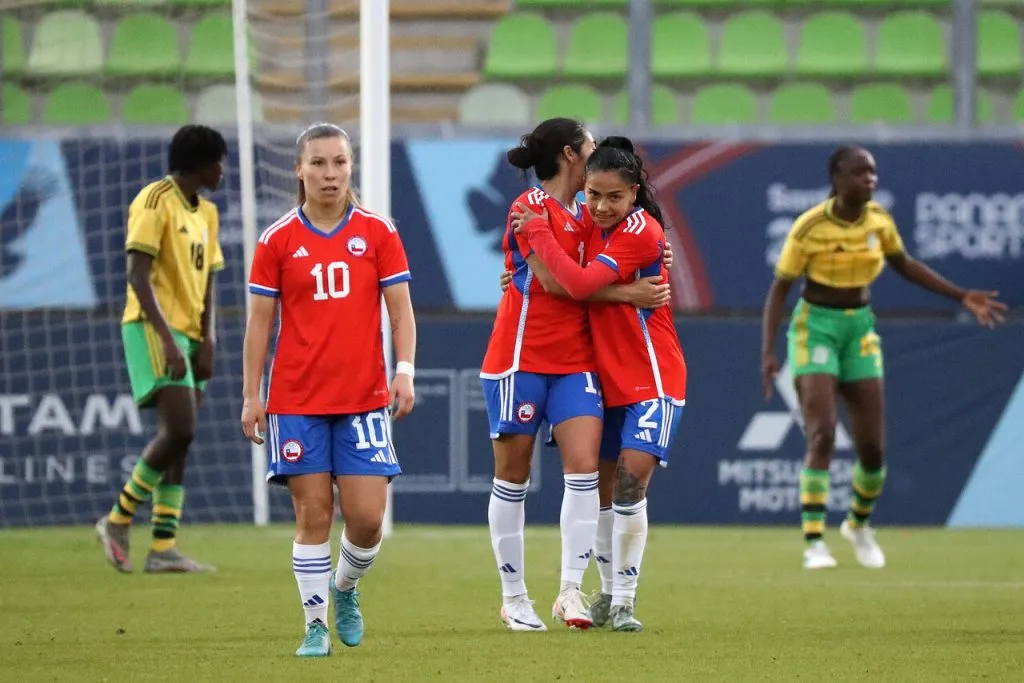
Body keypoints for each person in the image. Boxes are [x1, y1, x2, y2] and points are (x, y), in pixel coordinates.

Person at [761, 145, 1007, 570]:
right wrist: (768, 350)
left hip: (859, 329)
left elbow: (905, 264)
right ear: (837, 178)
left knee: (873, 451)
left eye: (873, 173)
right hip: (815, 327)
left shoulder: (879, 220)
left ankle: (857, 525)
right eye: (860, 173)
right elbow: (780, 288)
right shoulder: (810, 226)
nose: (870, 180)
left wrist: (961, 295)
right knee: (822, 434)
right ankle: (814, 542)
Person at [481, 119, 671, 632]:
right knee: (512, 478)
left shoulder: (594, 213)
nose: (597, 149)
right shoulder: (527, 209)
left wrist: (655, 253)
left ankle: (570, 591)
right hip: (519, 357)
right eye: (590, 144)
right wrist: (628, 293)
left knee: (586, 473)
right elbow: (556, 282)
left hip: (577, 363)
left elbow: (624, 249)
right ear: (571, 154)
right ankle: (514, 597)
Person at [240, 123, 416, 656]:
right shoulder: (276, 240)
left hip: (363, 400)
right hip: (296, 401)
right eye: (318, 163)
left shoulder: (378, 232)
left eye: (339, 162)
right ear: (299, 170)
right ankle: (315, 627)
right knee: (313, 515)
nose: (330, 173)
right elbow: (259, 323)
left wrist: (404, 370)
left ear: (350, 166)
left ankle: (345, 588)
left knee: (367, 520)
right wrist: (252, 395)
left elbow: (401, 310)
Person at [95, 124, 227, 574]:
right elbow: (137, 275)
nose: (222, 171)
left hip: (190, 334)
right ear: (201, 164)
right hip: (153, 330)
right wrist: (169, 340)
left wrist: (208, 338)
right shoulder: (154, 200)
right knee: (180, 431)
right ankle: (117, 520)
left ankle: (163, 547)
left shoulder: (207, 213)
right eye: (218, 162)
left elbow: (209, 281)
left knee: (180, 440)